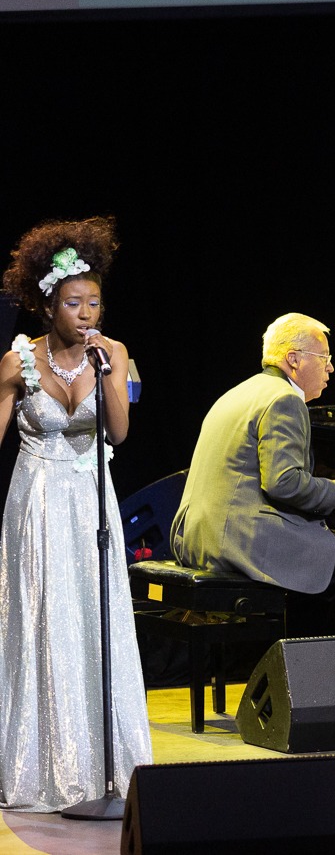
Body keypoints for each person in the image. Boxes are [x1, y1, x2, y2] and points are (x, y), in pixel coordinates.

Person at [0, 217, 152, 811]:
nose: (86, 313)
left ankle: (103, 764)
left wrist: (108, 372)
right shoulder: (18, 361)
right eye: (73, 303)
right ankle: (39, 763)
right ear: (48, 305)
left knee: (95, 620)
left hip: (93, 500)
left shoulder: (114, 354)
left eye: (94, 302)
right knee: (43, 621)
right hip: (36, 505)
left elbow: (118, 430)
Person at [171, 313, 335, 635]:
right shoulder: (285, 400)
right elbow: (283, 483)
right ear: (294, 359)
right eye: (325, 358)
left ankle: (315, 668)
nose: (331, 368)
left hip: (198, 537)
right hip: (239, 542)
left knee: (331, 554)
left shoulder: (241, 391)